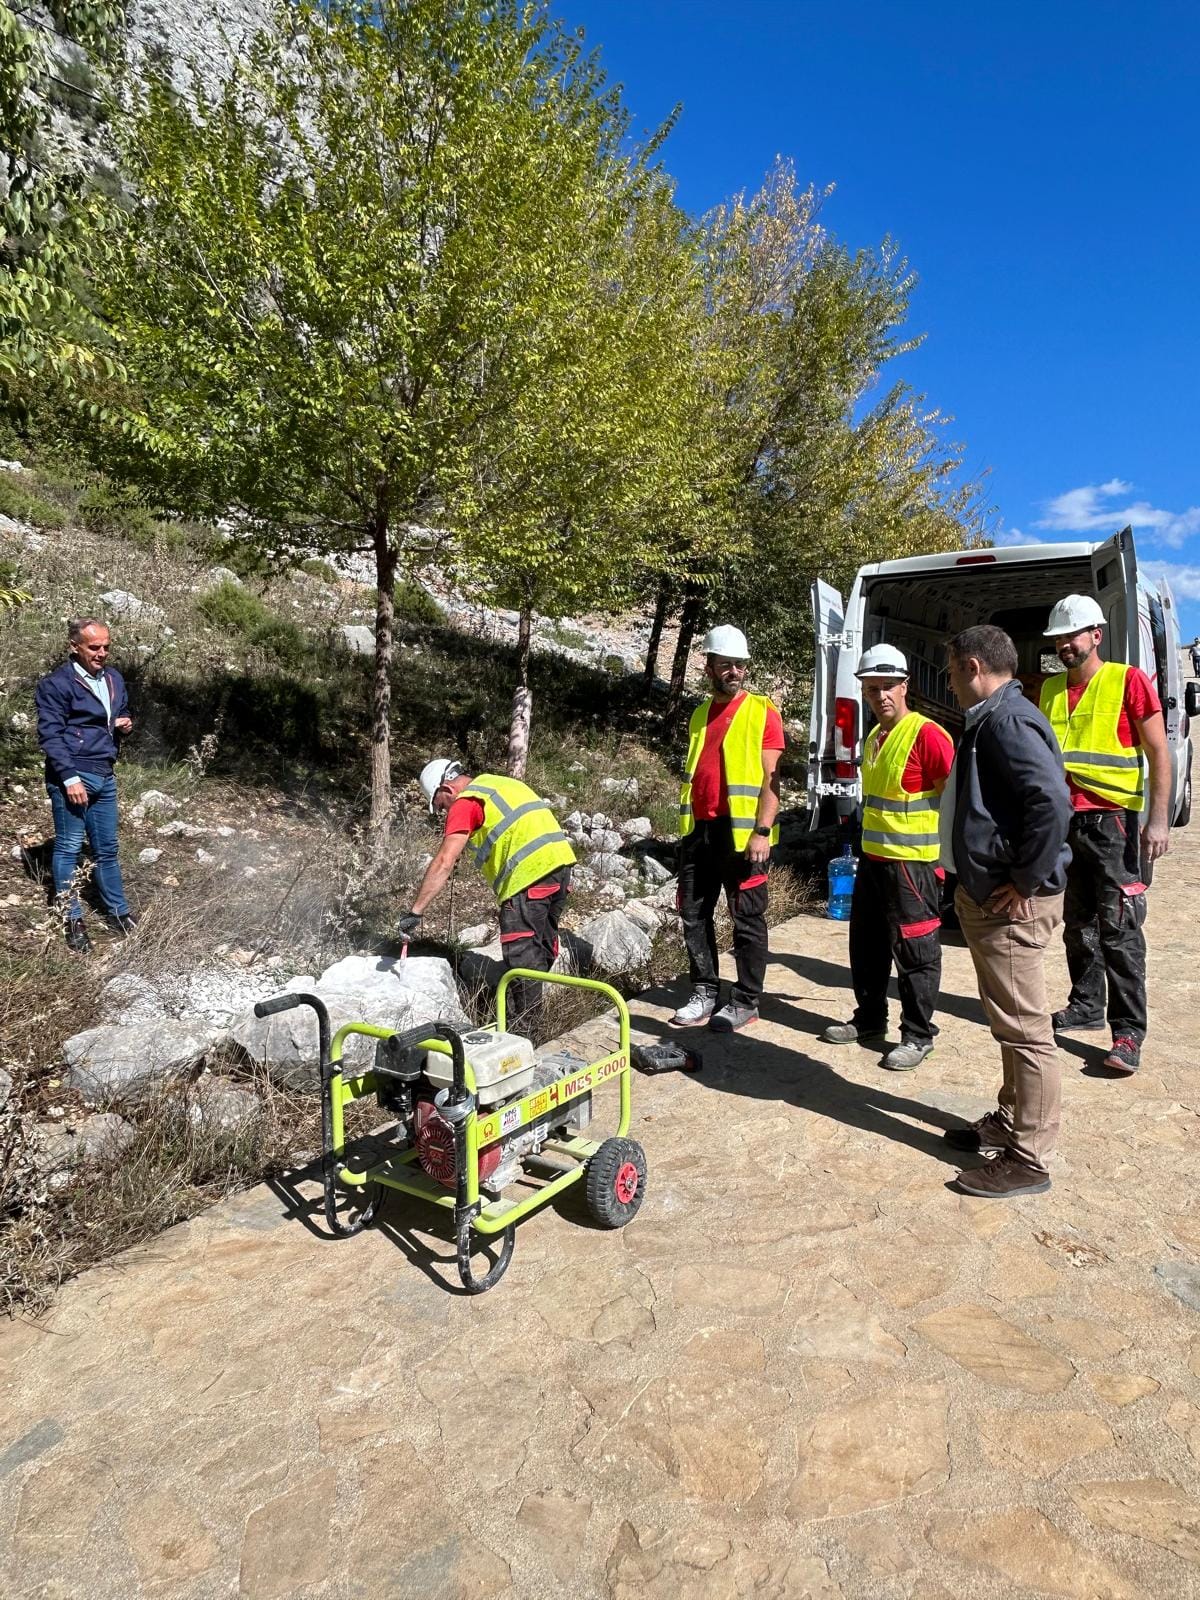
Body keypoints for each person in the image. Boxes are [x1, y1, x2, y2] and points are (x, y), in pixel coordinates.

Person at [938, 624, 1072, 1198]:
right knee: (1010, 1024)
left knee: (1025, 1030)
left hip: (1011, 903)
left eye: (949, 671)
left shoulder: (1007, 720)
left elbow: (1051, 802)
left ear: (972, 666)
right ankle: (1012, 1119)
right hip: (991, 895)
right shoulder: (995, 717)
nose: (947, 682)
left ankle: (1030, 1157)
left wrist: (1023, 880)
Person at [1039, 594, 1169, 1075]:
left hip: (1113, 822)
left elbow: (1159, 753)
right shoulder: (1050, 689)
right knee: (1078, 923)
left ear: (1096, 634)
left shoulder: (1127, 680)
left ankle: (1128, 1032)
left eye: (1072, 635)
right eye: (1058, 638)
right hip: (1065, 824)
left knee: (1120, 928)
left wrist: (1157, 821)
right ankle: (1086, 1005)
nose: (1065, 645)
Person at [822, 645, 953, 1070]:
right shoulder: (876, 738)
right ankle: (869, 1020)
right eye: (872, 688)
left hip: (913, 866)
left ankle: (918, 1034)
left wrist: (949, 864)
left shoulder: (928, 734)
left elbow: (954, 801)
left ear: (904, 686)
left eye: (888, 687)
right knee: (867, 946)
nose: (881, 697)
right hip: (875, 862)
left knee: (916, 952)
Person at [398, 760, 576, 1031]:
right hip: (560, 868)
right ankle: (533, 1019)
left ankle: (524, 1036)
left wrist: (415, 912)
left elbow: (444, 860)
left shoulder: (466, 802)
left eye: (441, 805)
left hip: (527, 877)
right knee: (541, 947)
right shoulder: (499, 783)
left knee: (521, 956)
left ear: (447, 788)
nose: (444, 811)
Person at [670, 624, 784, 1034]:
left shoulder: (762, 711)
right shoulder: (700, 714)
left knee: (747, 920)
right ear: (709, 667)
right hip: (699, 831)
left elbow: (774, 778)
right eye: (726, 665)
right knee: (693, 914)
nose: (734, 672)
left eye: (740, 665)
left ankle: (746, 1001)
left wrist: (763, 830)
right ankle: (704, 991)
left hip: (741, 835)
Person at [34, 618, 136, 952]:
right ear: (74, 647)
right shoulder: (57, 685)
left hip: (104, 773)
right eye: (94, 647)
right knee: (69, 846)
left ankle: (119, 914)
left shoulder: (113, 678)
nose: (102, 653)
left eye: (106, 646)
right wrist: (69, 778)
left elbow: (115, 714)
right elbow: (50, 735)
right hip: (74, 775)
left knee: (107, 848)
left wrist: (123, 725)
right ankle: (71, 919)